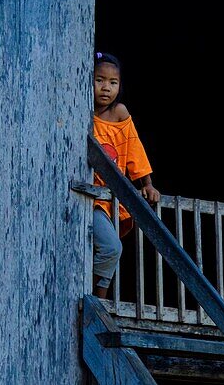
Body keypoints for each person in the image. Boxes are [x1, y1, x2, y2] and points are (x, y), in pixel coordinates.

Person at [91, 51, 159, 298]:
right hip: (90, 199)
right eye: (99, 80)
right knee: (111, 248)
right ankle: (97, 299)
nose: (106, 88)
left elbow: (134, 148)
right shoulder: (81, 111)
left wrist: (147, 183)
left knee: (107, 248)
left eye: (113, 82)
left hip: (109, 201)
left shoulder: (119, 113)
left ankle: (97, 298)